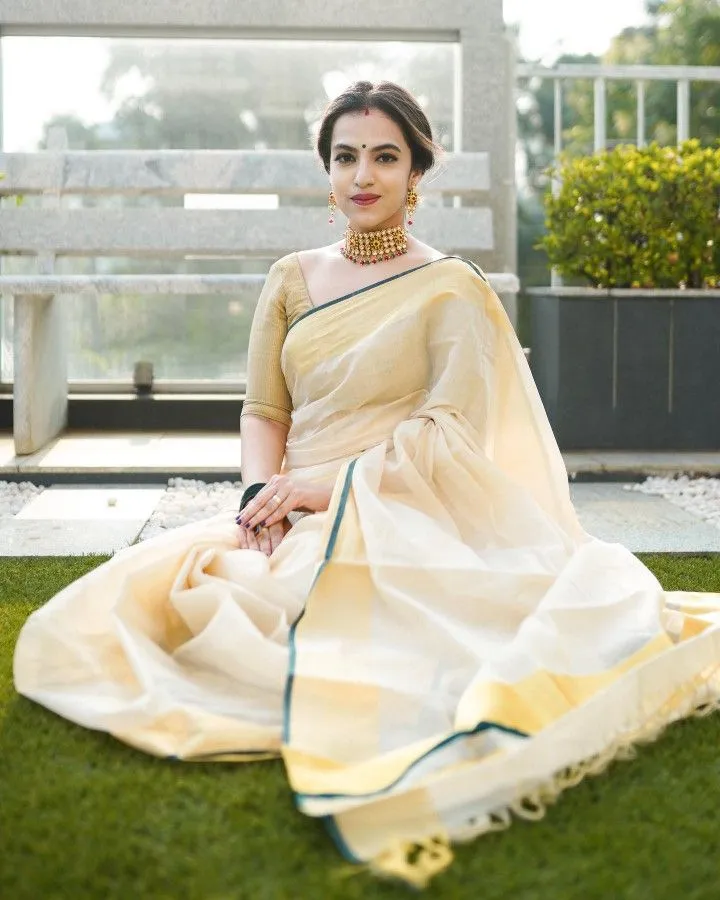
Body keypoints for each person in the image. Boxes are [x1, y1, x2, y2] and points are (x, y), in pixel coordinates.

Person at [13, 81, 720, 888]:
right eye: (346, 156)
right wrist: (258, 498)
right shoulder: (291, 277)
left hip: (402, 498)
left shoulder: (452, 288)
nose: (363, 175)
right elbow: (262, 410)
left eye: (385, 156)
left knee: (345, 616)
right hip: (287, 497)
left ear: (417, 173)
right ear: (326, 171)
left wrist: (326, 488)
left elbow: (450, 431)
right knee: (146, 603)